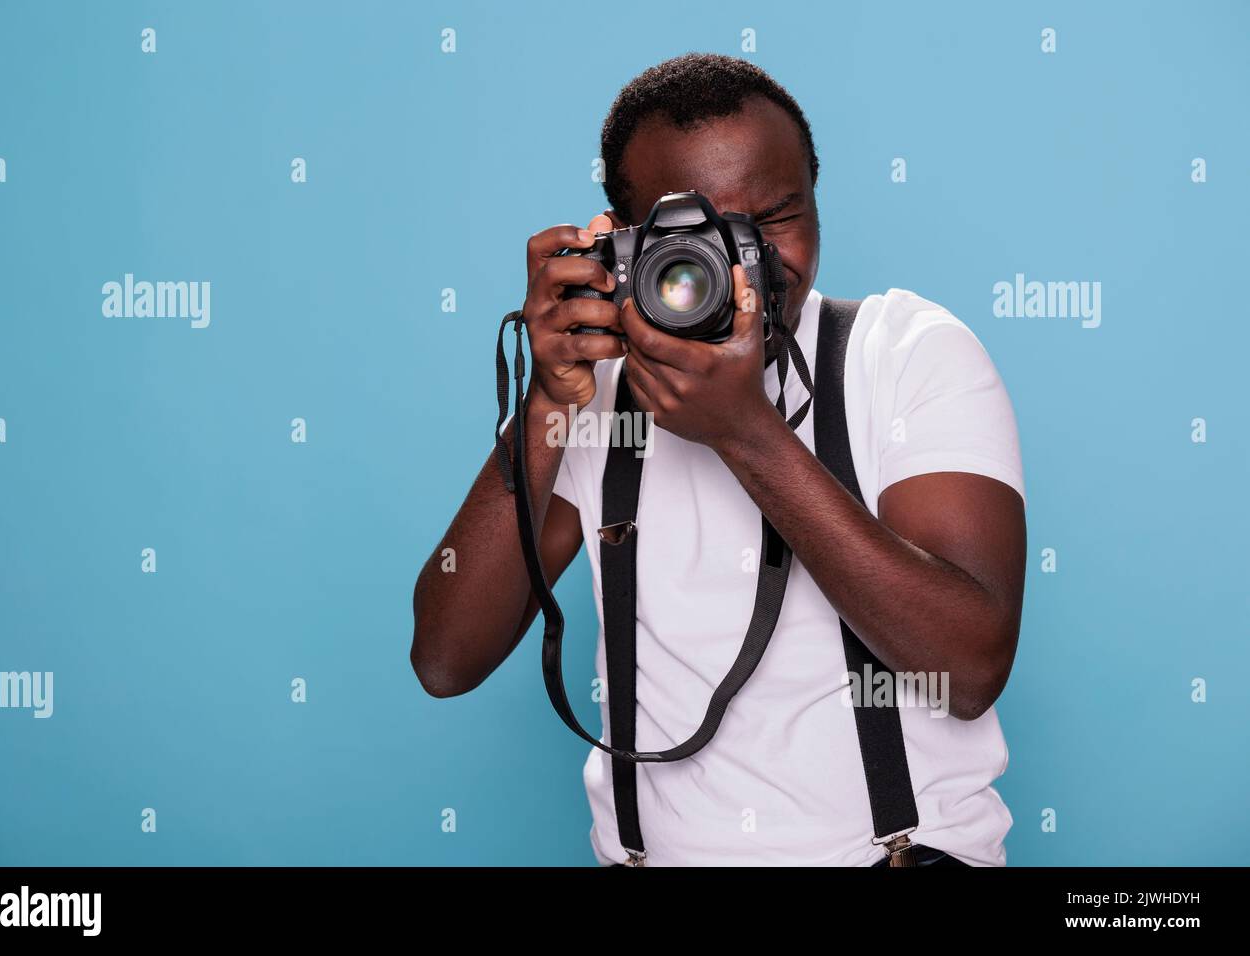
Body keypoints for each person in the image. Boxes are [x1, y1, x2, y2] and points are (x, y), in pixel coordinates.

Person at [411, 53, 1026, 867]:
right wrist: (547, 408)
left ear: (816, 196)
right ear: (620, 242)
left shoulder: (906, 353)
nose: (747, 266)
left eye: (776, 218)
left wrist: (745, 433)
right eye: (702, 235)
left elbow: (969, 667)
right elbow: (446, 659)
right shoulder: (591, 394)